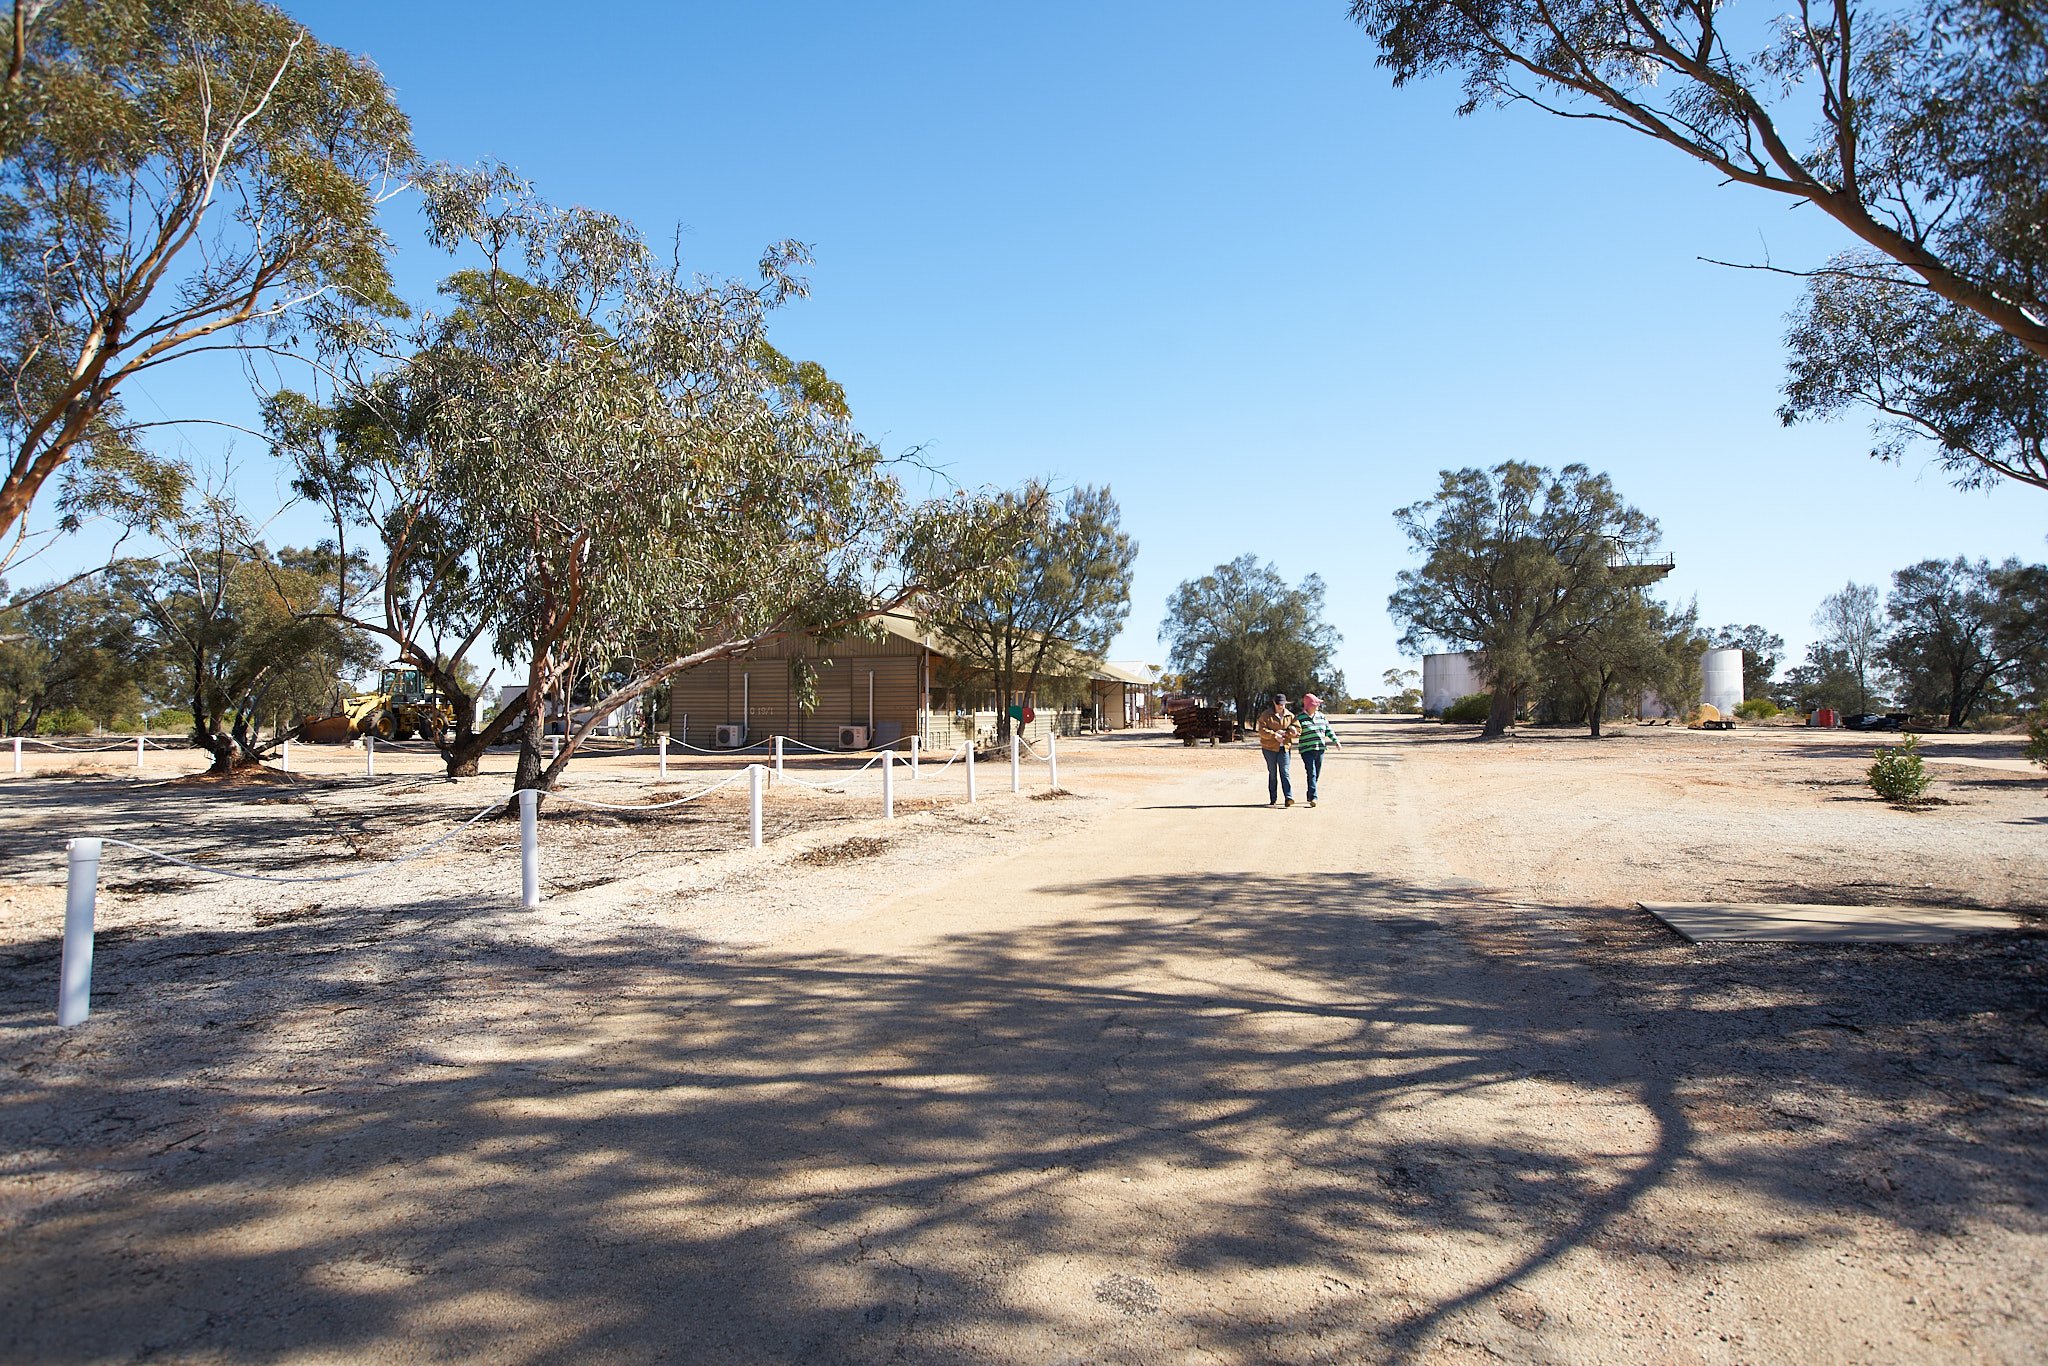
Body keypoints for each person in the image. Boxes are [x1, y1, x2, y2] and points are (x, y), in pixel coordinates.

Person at [1254, 693, 1300, 807]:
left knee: (1285, 772)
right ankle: (1273, 798)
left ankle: (1288, 797)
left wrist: (1290, 732)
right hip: (1269, 748)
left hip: (1284, 748)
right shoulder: (1266, 715)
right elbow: (1262, 730)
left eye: (1283, 704)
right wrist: (1274, 735)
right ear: (1274, 703)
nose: (1281, 706)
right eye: (1279, 704)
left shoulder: (1290, 716)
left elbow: (1298, 729)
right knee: (1273, 773)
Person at [1295, 692, 1341, 807]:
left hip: (1320, 748)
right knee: (1311, 772)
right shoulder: (1300, 718)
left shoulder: (1321, 716)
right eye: (1315, 704)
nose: (1318, 706)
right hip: (1306, 749)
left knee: (1317, 773)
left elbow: (1328, 729)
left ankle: (1310, 793)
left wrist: (1336, 741)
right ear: (1309, 705)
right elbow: (1295, 731)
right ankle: (1314, 797)